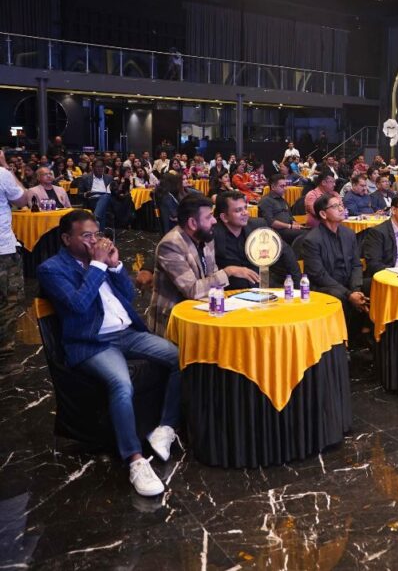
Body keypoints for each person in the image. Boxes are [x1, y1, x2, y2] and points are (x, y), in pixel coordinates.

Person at [37, 210, 181, 496]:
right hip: (93, 342)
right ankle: (135, 459)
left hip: (127, 333)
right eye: (86, 235)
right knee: (121, 383)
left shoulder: (101, 262)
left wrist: (115, 267)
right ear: (66, 239)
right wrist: (98, 266)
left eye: (97, 234)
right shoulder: (52, 269)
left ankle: (165, 427)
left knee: (180, 358)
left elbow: (128, 296)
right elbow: (78, 305)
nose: (94, 241)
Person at [147, 194, 258, 337]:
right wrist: (228, 271)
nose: (214, 221)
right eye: (209, 217)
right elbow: (192, 290)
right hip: (174, 321)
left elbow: (212, 276)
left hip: (203, 309)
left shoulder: (205, 238)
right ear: (193, 223)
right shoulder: (171, 245)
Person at [301, 194, 369, 328]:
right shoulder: (312, 240)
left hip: (349, 282)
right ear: (323, 214)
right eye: (335, 206)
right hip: (326, 286)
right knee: (337, 295)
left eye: (341, 205)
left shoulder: (349, 234)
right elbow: (319, 275)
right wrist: (349, 294)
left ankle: (371, 332)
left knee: (374, 284)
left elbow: (356, 264)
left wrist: (355, 289)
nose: (341, 209)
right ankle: (346, 336)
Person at [213, 191, 301, 289]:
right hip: (229, 289)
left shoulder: (257, 226)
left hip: (262, 284)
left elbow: (285, 251)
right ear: (224, 217)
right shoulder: (213, 235)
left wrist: (297, 285)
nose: (245, 213)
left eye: (245, 208)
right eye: (238, 210)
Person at [0, 150, 29, 349]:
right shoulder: (2, 174)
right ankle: (4, 349)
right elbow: (22, 200)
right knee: (8, 300)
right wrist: (5, 167)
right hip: (3, 249)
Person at [259, 175, 307, 243]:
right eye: (282, 186)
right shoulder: (266, 201)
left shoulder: (283, 200)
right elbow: (270, 222)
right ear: (273, 187)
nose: (285, 188)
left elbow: (290, 217)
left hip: (288, 229)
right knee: (306, 235)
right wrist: (290, 226)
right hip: (276, 232)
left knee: (311, 231)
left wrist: (295, 224)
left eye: (285, 186)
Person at [79, 161, 114, 231]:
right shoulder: (85, 177)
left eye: (102, 167)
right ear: (93, 168)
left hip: (107, 199)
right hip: (92, 199)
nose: (100, 169)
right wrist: (85, 194)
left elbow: (113, 192)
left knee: (105, 196)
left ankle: (95, 217)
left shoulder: (109, 178)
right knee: (102, 209)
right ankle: (100, 232)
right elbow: (79, 193)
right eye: (98, 167)